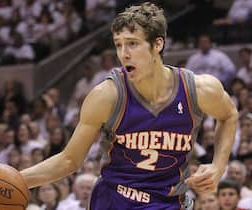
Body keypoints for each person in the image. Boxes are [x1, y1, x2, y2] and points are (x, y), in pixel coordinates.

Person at [19, 2, 238, 209]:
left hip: (168, 202)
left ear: (157, 44)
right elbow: (69, 160)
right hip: (115, 200)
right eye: (119, 45)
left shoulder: (198, 90)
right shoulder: (107, 95)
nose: (124, 54)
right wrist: (14, 180)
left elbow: (229, 115)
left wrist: (218, 166)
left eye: (132, 43)